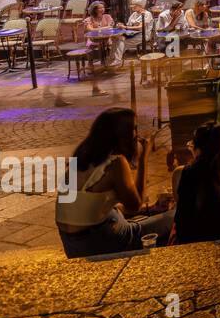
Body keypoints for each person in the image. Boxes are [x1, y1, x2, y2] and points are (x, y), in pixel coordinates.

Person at [56, 107, 173, 258]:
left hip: (72, 245)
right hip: (99, 242)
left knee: (141, 215)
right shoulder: (116, 163)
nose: (137, 134)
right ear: (123, 135)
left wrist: (151, 209)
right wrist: (144, 157)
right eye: (135, 128)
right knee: (175, 216)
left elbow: (93, 208)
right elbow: (134, 204)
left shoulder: (81, 158)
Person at [83, 1, 123, 65]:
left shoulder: (107, 17)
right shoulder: (89, 19)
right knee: (93, 46)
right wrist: (104, 28)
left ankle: (108, 61)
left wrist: (98, 29)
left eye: (103, 7)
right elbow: (91, 29)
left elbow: (110, 27)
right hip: (94, 39)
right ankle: (91, 64)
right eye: (100, 8)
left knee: (116, 41)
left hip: (107, 38)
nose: (102, 9)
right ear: (95, 9)